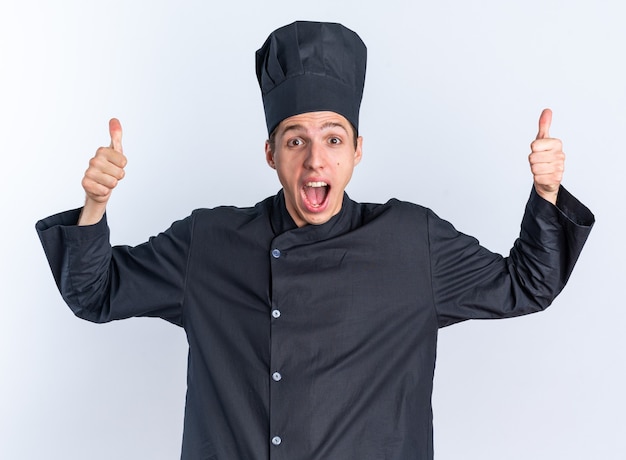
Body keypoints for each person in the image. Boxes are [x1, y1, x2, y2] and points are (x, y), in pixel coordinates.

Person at [36, 21, 594, 460]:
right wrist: (96, 206)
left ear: (356, 151)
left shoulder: (410, 242)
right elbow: (94, 292)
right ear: (270, 154)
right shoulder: (209, 243)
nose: (315, 160)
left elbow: (528, 284)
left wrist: (546, 191)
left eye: (333, 138)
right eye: (294, 140)